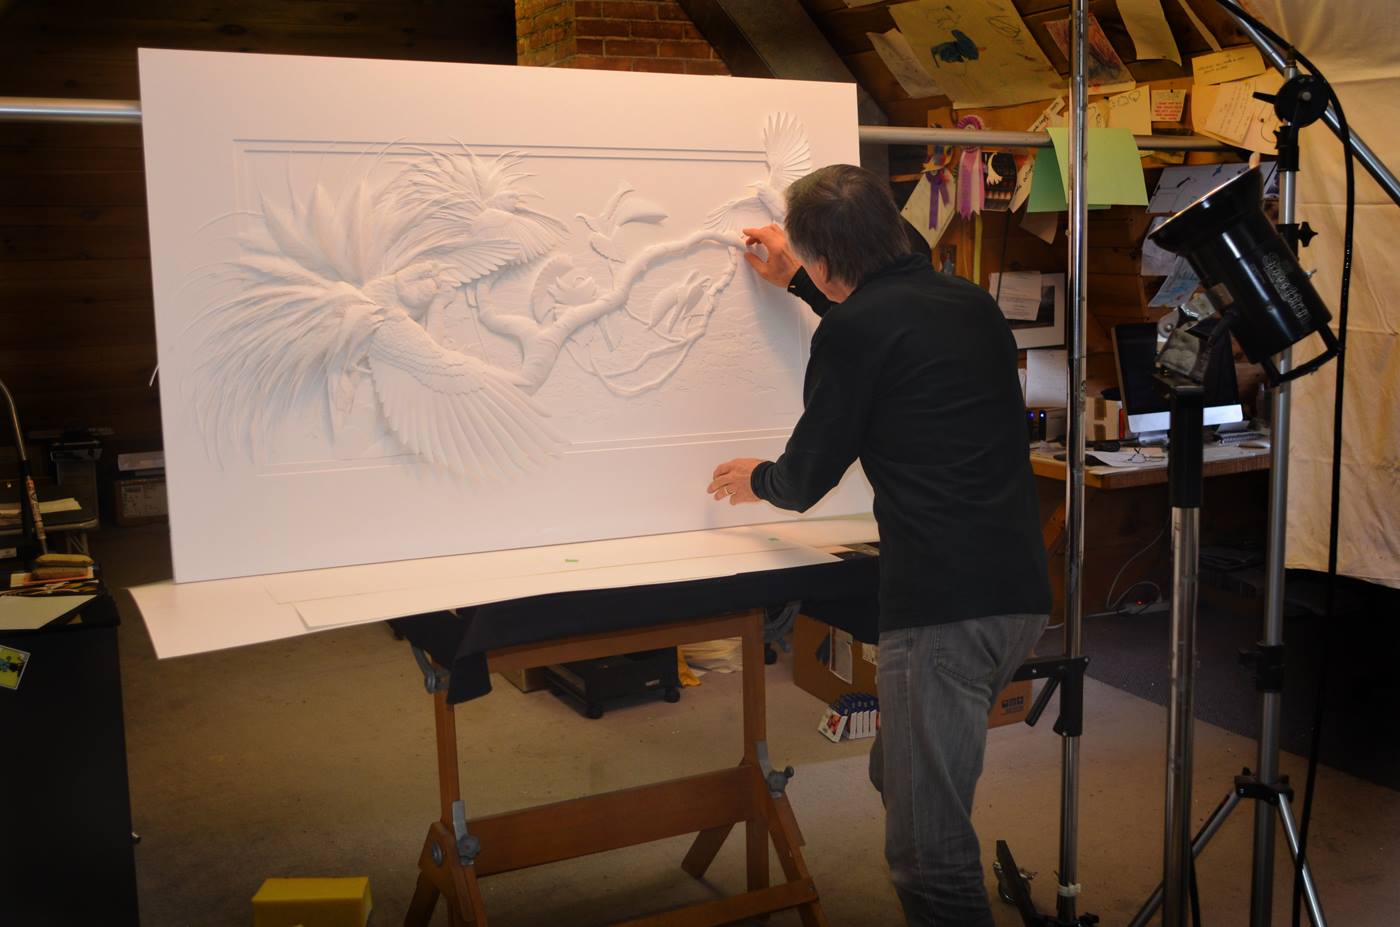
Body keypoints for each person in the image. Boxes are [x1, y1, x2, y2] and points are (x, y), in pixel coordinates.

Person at [706, 164, 1050, 926]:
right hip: (1020, 593)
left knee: (926, 857)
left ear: (830, 265)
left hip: (943, 611)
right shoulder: (970, 303)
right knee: (900, 774)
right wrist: (803, 281)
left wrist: (756, 478)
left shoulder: (854, 331)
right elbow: (892, 327)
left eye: (814, 265)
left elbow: (805, 477)